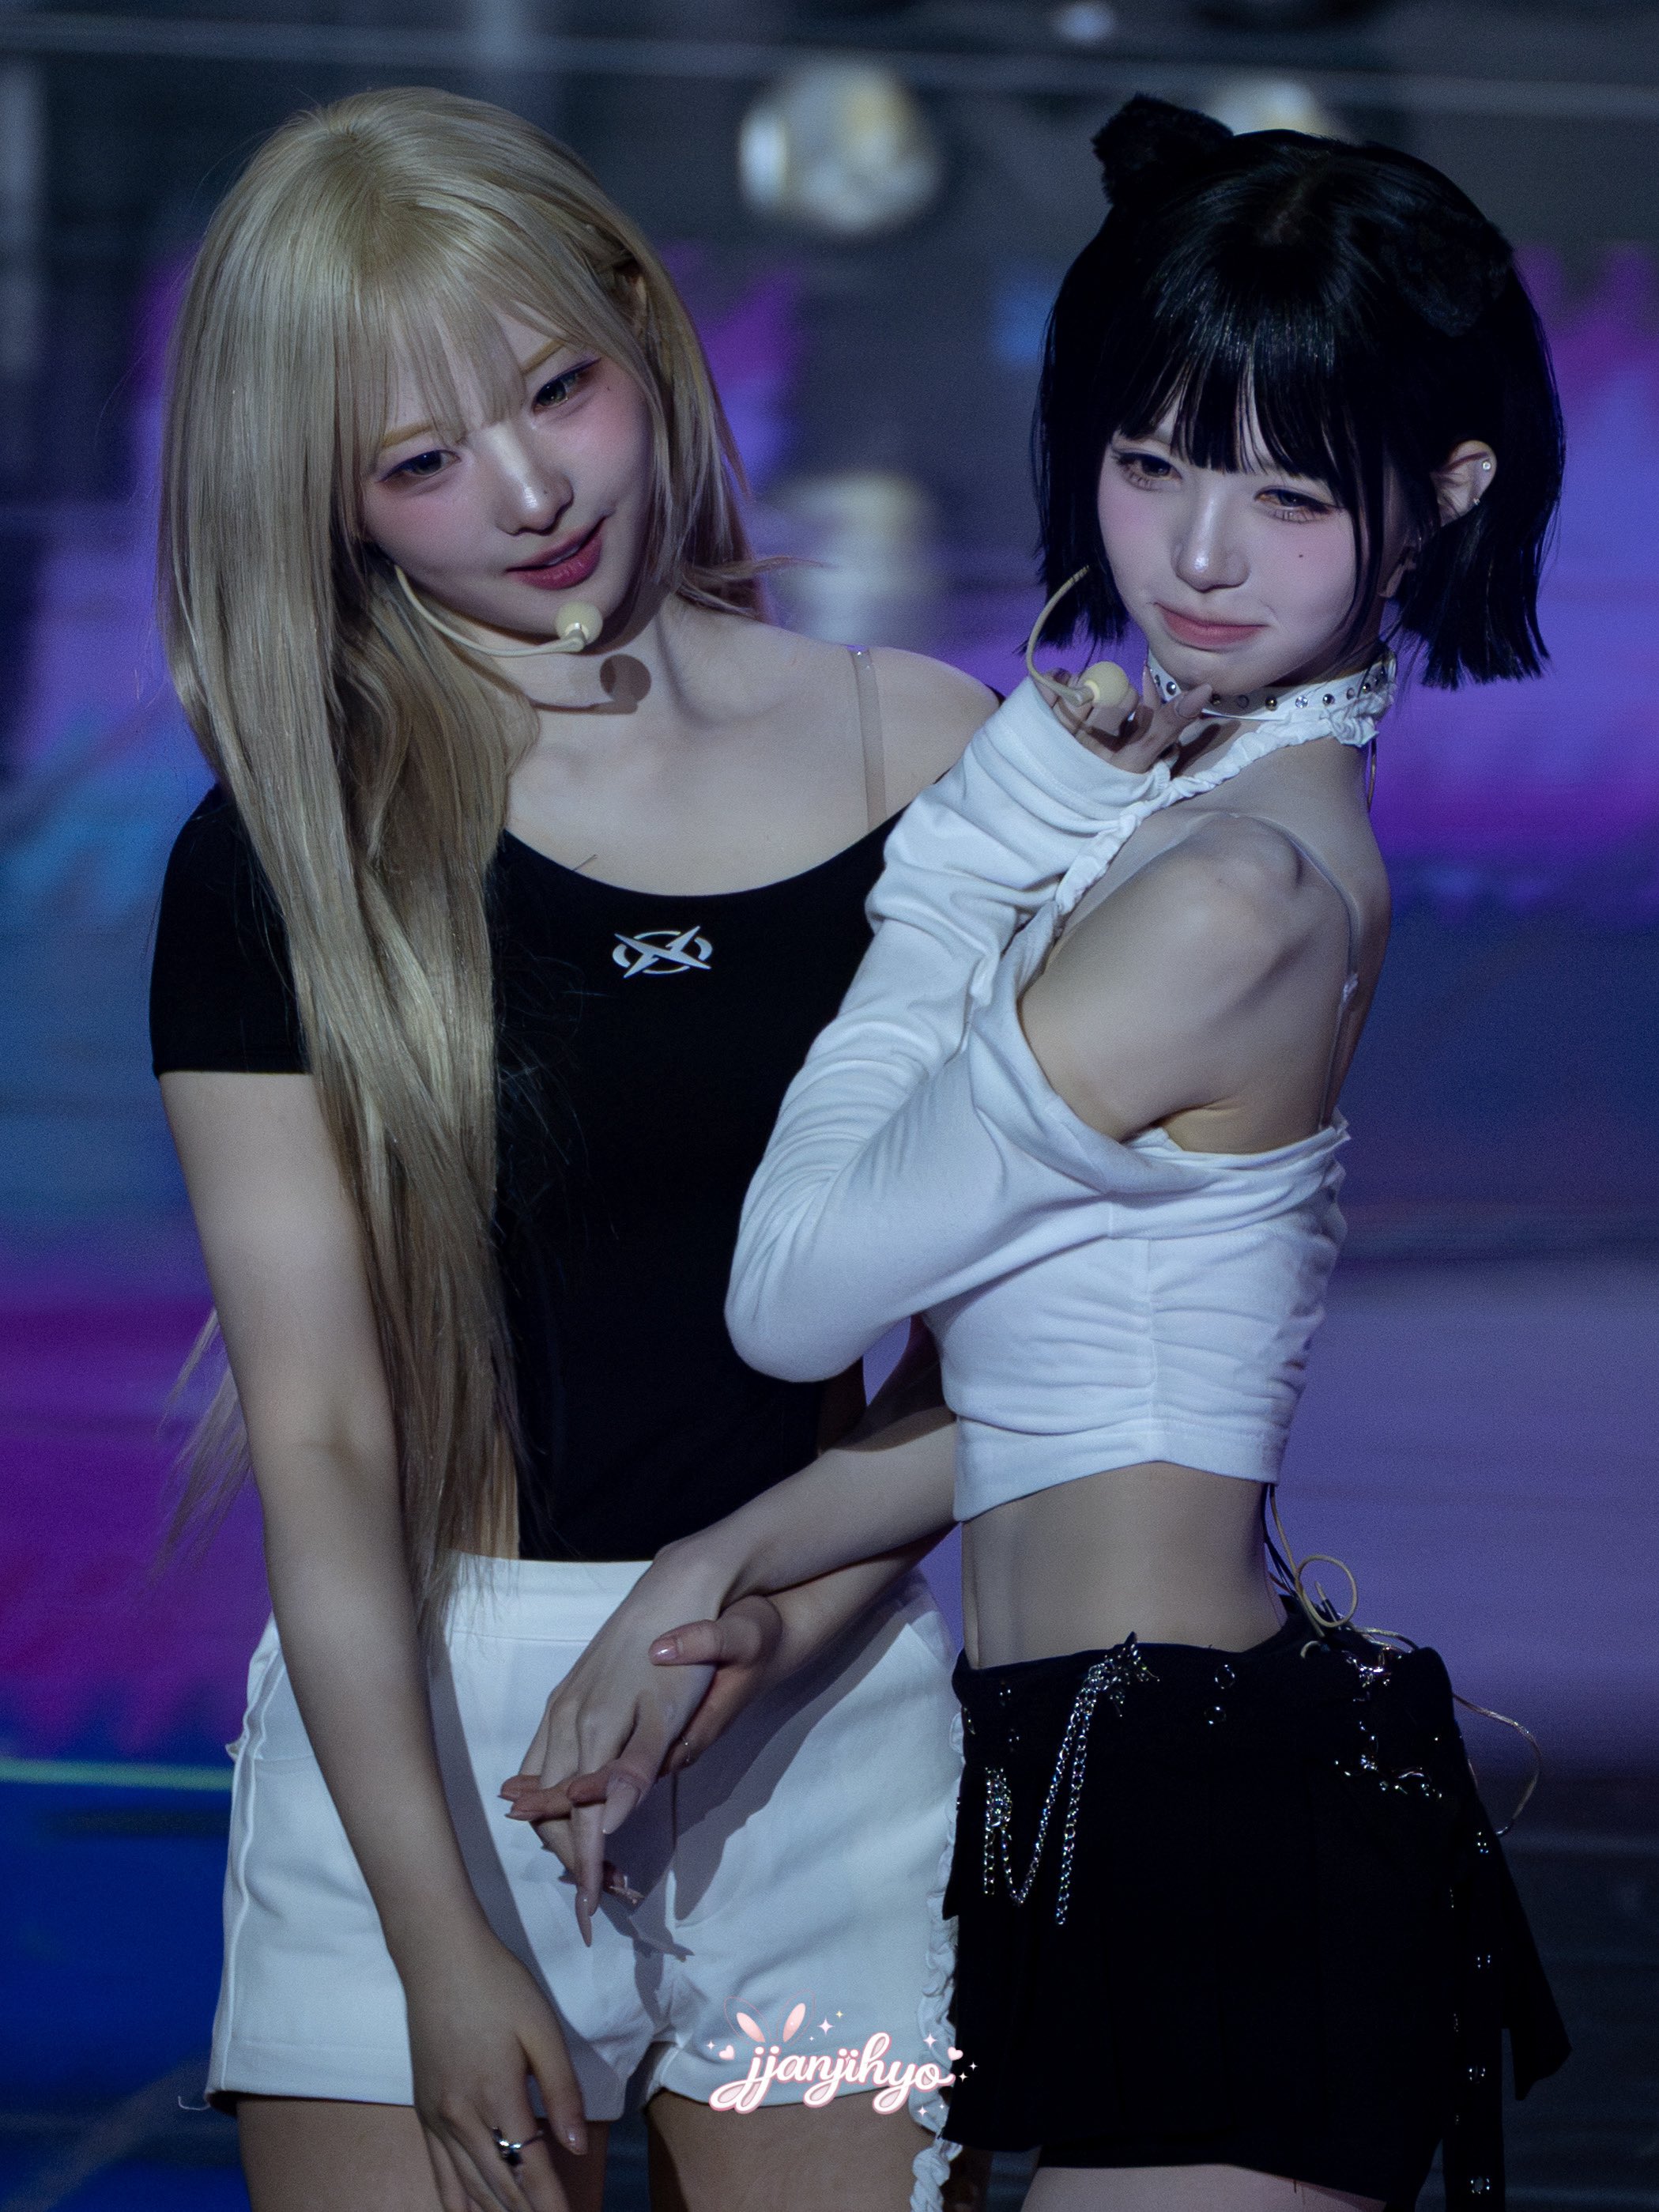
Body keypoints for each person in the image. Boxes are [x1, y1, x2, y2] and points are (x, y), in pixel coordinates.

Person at [510, 98, 1572, 2212]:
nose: (1196, 555)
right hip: (1100, 1775)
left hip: (1200, 1804)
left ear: (1441, 497)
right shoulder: (1191, 824)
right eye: (1152, 461)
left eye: (1286, 493)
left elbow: (790, 1290)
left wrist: (966, 853)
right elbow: (1072, 1389)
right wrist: (733, 1555)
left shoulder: (1228, 898)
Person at [145, 84, 1023, 2212]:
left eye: (557, 390)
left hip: (820, 1719)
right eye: (419, 462)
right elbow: (324, 1432)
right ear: (324, 499)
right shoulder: (292, 849)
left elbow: (1025, 1366)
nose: (529, 492)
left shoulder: (932, 756)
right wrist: (440, 1942)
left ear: (645, 321)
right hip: (420, 1747)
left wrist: (762, 1626)